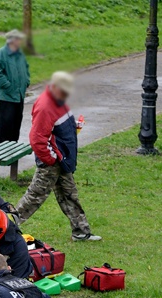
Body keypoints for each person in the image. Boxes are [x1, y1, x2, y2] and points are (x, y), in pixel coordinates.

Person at [15, 72, 101, 242]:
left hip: (61, 160)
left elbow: (57, 126)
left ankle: (81, 232)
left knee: (69, 194)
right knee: (34, 197)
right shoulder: (46, 105)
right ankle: (5, 227)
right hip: (52, 162)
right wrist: (51, 158)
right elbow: (37, 138)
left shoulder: (58, 100)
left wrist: (74, 126)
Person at [0, 29, 31, 144]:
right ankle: (2, 148)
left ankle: (14, 146)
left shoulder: (21, 54)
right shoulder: (1, 54)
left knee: (16, 123)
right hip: (7, 96)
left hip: (19, 95)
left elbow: (26, 69)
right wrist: (8, 86)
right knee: (5, 124)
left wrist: (26, 82)